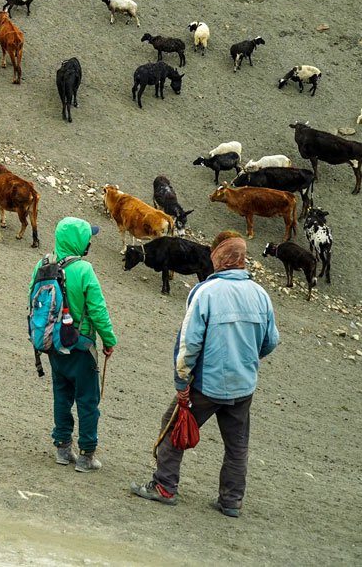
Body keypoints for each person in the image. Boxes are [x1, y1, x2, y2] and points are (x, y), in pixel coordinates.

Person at [131, 232, 280, 517]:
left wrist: (182, 382)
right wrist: (247, 359)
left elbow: (189, 343)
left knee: (173, 427)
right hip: (243, 386)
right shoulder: (260, 294)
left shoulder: (206, 293)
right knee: (237, 445)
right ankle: (231, 501)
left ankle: (164, 487)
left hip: (207, 384)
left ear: (218, 257)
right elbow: (271, 340)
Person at [35, 216, 116, 473]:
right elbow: (98, 310)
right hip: (81, 346)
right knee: (88, 399)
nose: (90, 242)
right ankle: (86, 455)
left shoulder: (44, 264)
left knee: (62, 393)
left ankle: (62, 448)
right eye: (87, 238)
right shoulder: (84, 270)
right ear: (79, 241)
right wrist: (109, 340)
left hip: (53, 343)